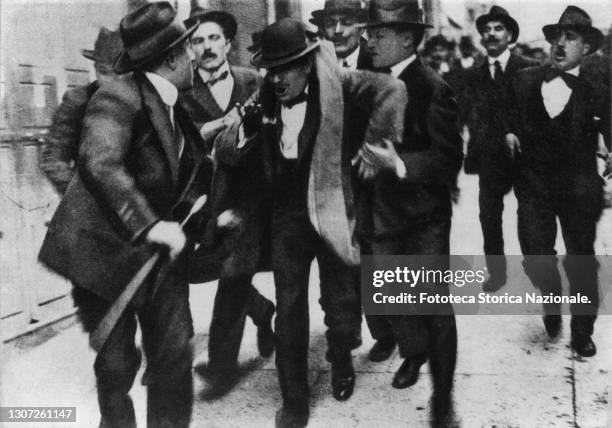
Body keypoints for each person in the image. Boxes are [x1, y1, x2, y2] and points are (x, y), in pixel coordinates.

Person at [215, 18, 407, 427]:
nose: (277, 78)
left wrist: (375, 145)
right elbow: (227, 151)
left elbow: (394, 89)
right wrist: (243, 132)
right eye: (271, 69)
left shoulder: (339, 83)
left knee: (340, 304)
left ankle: (341, 361)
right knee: (289, 308)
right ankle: (294, 401)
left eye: (286, 68)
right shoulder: (263, 96)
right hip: (287, 214)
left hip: (332, 205)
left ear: (306, 65)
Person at [38, 3, 212, 426]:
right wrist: (150, 225)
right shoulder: (118, 94)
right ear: (173, 56)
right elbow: (100, 161)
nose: (196, 56)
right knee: (117, 367)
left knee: (172, 358)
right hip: (101, 258)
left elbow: (185, 173)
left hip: (156, 264)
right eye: (190, 48)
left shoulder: (176, 106)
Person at [363, 0, 463, 422]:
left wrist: (399, 164)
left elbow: (448, 158)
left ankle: (442, 400)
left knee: (434, 307)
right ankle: (413, 354)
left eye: (379, 34)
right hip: (382, 216)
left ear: (407, 38)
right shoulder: (368, 82)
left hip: (424, 220)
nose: (370, 39)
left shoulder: (432, 87)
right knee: (396, 299)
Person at [504, 5, 610, 357]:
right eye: (557, 37)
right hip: (533, 186)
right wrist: (508, 132)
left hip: (579, 188)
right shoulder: (524, 80)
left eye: (571, 37)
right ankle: (550, 302)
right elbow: (502, 113)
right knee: (536, 256)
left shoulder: (598, 90)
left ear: (587, 48)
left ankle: (582, 332)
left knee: (581, 260)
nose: (561, 44)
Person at [180, 7, 275, 394]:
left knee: (233, 275)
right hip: (202, 199)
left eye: (214, 38)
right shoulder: (180, 93)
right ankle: (262, 309)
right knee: (191, 269)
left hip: (249, 198)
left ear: (229, 43)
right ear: (188, 48)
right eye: (198, 40)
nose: (207, 47)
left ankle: (221, 370)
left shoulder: (254, 81)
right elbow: (181, 149)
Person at [463, 6, 538, 292]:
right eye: (487, 29)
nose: (491, 34)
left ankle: (537, 273)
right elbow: (465, 114)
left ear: (510, 35)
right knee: (489, 217)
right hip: (489, 159)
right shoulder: (473, 74)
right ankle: (497, 273)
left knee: (530, 219)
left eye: (498, 29)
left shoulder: (529, 68)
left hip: (525, 157)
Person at [40, 27, 123, 195]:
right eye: (104, 72)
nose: (112, 82)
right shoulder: (78, 101)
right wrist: (82, 197)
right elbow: (52, 159)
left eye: (120, 74)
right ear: (95, 68)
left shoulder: (142, 100)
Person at [309, 0, 371, 70]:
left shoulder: (377, 62)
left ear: (362, 28)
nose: (337, 31)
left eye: (346, 23)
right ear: (323, 29)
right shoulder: (312, 65)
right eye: (331, 24)